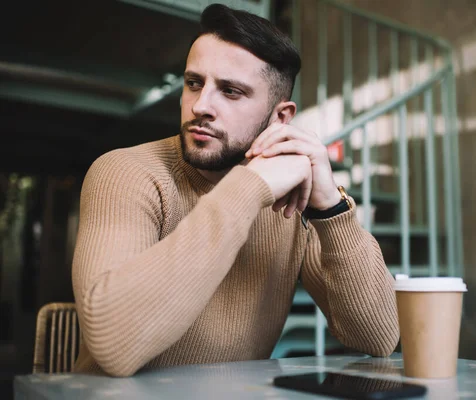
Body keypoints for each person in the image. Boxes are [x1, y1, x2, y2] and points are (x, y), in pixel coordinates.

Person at [71, 3, 399, 377]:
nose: (201, 105)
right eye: (194, 83)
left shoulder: (292, 200)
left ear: (280, 118)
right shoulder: (125, 173)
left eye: (230, 91)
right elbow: (115, 347)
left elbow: (378, 337)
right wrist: (248, 187)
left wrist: (330, 209)